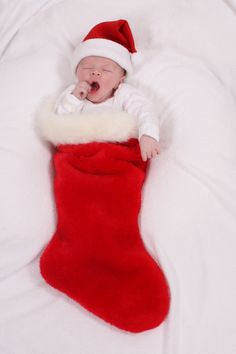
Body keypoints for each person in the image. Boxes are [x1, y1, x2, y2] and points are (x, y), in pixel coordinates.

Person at [54, 19, 161, 161]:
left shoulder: (124, 94)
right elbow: (58, 122)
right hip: (79, 153)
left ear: (120, 80)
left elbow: (144, 110)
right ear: (76, 73)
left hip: (116, 153)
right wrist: (73, 98)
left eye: (105, 69)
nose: (95, 72)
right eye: (87, 67)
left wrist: (148, 135)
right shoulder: (72, 94)